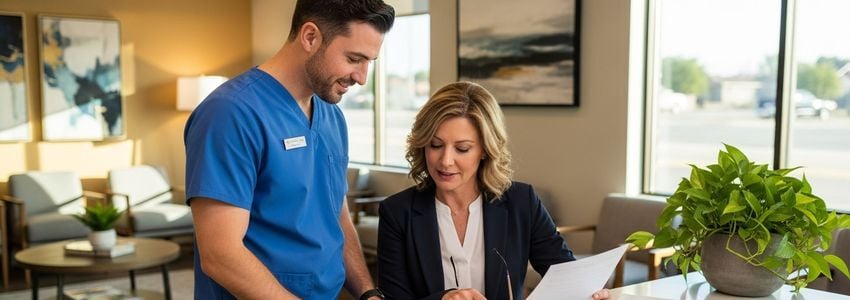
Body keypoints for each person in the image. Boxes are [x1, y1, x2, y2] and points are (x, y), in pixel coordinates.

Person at [183, 1, 394, 299]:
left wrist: (367, 292)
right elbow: (220, 255)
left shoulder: (332, 116)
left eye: (369, 62)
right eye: (353, 58)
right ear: (310, 37)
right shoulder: (229, 114)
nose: (361, 77)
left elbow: (337, 215)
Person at [377, 82, 610, 300]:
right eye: (435, 145)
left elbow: (565, 273)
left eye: (462, 148)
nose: (446, 161)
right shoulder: (397, 212)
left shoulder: (522, 201)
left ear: (485, 150)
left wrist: (591, 292)